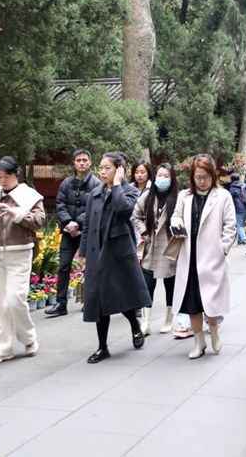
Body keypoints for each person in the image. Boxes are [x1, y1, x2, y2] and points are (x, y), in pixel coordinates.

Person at [79, 152, 152, 363]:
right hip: (96, 253)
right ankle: (102, 347)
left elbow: (124, 209)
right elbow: (87, 226)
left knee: (122, 296)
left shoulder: (129, 191)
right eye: (100, 167)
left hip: (118, 254)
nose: (102, 171)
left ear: (118, 170)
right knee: (99, 300)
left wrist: (118, 185)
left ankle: (135, 326)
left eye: (107, 168)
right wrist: (83, 251)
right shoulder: (94, 194)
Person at [0, 156, 45, 365]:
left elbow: (39, 221)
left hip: (20, 252)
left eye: (6, 176)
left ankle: (28, 337)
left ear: (16, 175)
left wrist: (17, 213)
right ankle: (1, 348)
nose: (2, 181)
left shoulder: (29, 195)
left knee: (15, 299)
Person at [171, 154, 236, 359]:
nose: (202, 181)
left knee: (211, 299)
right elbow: (176, 215)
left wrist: (222, 249)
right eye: (198, 176)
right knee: (192, 303)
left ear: (213, 175)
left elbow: (230, 226)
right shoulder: (184, 196)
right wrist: (176, 223)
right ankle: (199, 343)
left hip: (211, 256)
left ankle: (214, 329)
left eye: (206, 176)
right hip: (188, 257)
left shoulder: (222, 196)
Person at [47, 148, 101, 317]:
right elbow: (60, 204)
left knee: (90, 267)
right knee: (63, 266)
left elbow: (94, 208)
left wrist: (77, 224)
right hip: (68, 231)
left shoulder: (96, 184)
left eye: (85, 160)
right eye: (79, 160)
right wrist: (68, 223)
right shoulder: (66, 183)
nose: (82, 163)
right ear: (74, 163)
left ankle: (90, 301)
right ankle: (61, 303)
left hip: (87, 232)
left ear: (90, 162)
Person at [132, 162, 179, 335]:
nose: (162, 179)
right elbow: (135, 215)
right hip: (151, 247)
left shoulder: (178, 198)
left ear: (172, 178)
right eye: (160, 175)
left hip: (170, 248)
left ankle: (168, 320)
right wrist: (144, 231)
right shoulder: (147, 196)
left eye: (166, 176)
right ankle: (146, 322)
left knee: (170, 284)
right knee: (147, 285)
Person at [228, 172, 246, 245]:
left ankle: (244, 240)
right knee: (241, 225)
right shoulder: (244, 185)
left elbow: (229, 198)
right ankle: (240, 241)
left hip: (239, 209)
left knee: (239, 225)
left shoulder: (233, 188)